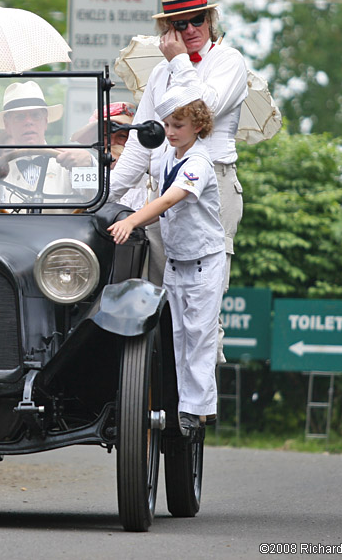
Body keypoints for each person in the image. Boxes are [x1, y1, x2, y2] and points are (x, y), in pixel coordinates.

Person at [111, 0, 247, 362]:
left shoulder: (229, 61)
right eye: (180, 24)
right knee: (155, 301)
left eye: (197, 20)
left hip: (212, 186)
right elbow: (141, 145)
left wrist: (179, 63)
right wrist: (104, 197)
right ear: (168, 31)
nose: (190, 30)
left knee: (202, 308)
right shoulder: (160, 74)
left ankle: (197, 414)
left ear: (210, 21)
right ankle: (158, 404)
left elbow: (204, 110)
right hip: (163, 192)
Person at [108, 85, 224, 436]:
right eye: (168, 125)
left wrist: (131, 220)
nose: (171, 132)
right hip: (177, 258)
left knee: (200, 333)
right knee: (178, 335)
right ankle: (185, 404)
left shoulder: (199, 162)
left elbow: (172, 198)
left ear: (198, 127)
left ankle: (197, 409)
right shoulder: (169, 155)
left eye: (179, 126)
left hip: (204, 260)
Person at [0, 81, 93, 206]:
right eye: (20, 117)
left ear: (46, 121)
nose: (28, 122)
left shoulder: (71, 162)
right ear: (7, 125)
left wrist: (88, 166)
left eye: (35, 115)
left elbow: (92, 200)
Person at [71, 101, 146, 210]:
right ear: (96, 140)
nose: (113, 142)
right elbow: (86, 198)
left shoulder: (148, 175)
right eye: (106, 135)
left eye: (122, 136)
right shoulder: (86, 167)